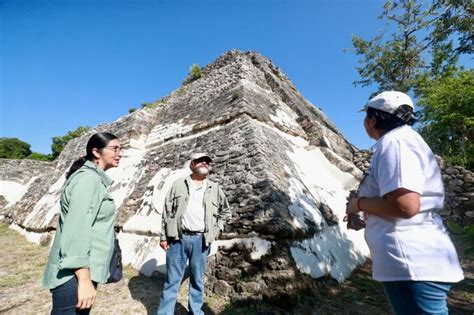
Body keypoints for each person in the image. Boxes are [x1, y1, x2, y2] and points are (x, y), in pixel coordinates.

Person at [346, 91, 464, 314]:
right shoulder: (404, 141)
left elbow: (405, 206)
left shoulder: (395, 143)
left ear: (373, 119)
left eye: (366, 117)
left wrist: (358, 204)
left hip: (411, 262)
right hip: (418, 261)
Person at [42, 132, 122, 314]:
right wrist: (84, 280)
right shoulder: (88, 179)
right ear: (96, 152)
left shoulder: (93, 179)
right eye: (114, 148)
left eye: (120, 149)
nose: (120, 153)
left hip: (80, 272)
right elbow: (76, 230)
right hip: (75, 275)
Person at [157, 153, 231, 315]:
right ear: (192, 164)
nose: (204, 163)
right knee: (172, 281)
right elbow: (167, 212)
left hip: (201, 240)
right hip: (178, 238)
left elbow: (226, 212)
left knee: (197, 280)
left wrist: (216, 229)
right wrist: (163, 236)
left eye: (207, 161)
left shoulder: (214, 188)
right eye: (200, 161)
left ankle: (196, 312)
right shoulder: (178, 184)